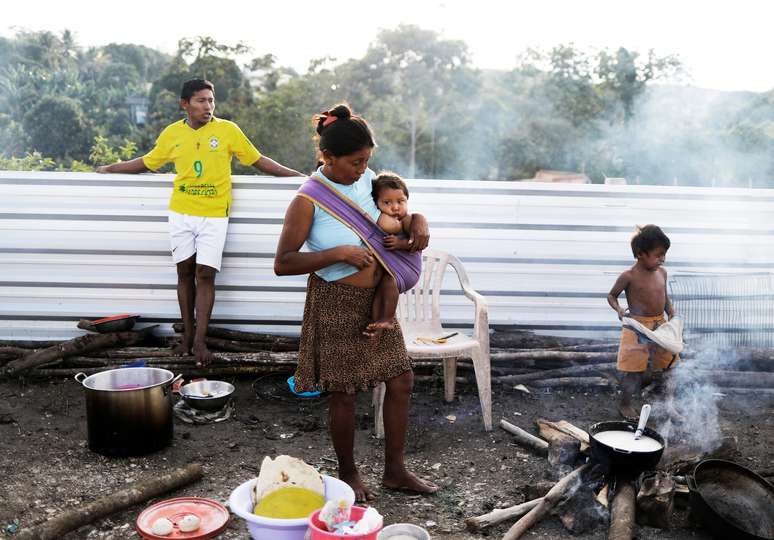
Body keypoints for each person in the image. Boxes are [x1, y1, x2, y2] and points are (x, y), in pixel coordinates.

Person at [274, 104, 438, 502]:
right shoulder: (307, 199)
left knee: (401, 379)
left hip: (378, 302)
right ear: (326, 158)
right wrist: (339, 254)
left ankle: (395, 471)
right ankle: (348, 474)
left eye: (367, 160)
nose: (362, 169)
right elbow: (283, 263)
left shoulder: (369, 182)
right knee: (343, 392)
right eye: (354, 162)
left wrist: (419, 222)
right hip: (335, 302)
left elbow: (400, 205)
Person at [96, 78, 302, 366]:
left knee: (205, 274)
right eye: (201, 101)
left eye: (211, 100)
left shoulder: (227, 130)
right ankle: (186, 337)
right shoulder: (172, 134)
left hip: (215, 214)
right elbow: (146, 162)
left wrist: (301, 179)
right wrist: (110, 169)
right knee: (184, 273)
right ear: (185, 104)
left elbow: (258, 160)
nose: (208, 106)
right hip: (181, 213)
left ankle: (200, 342)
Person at [607, 224, 679, 420]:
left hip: (659, 324)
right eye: (659, 255)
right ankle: (625, 404)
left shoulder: (662, 273)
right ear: (640, 254)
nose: (663, 259)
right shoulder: (628, 276)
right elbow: (611, 296)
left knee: (669, 367)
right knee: (633, 370)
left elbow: (664, 296)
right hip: (637, 326)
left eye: (664, 255)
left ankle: (669, 406)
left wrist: (671, 312)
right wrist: (619, 309)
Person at [365, 172, 414, 337]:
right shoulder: (378, 221)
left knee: (389, 282)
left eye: (401, 201)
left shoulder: (407, 221)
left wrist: (400, 244)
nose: (395, 207)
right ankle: (376, 322)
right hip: (390, 269)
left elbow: (416, 244)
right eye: (387, 202)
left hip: (407, 268)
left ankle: (388, 318)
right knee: (379, 293)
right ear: (376, 204)